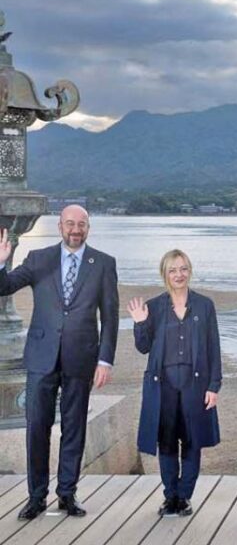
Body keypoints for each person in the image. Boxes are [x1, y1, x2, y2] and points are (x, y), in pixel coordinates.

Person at [0, 205, 119, 521]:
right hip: (41, 357)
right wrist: (1, 263)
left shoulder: (104, 264)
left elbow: (109, 317)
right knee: (37, 427)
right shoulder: (39, 259)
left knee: (74, 427)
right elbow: (5, 286)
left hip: (81, 358)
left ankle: (67, 494)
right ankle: (36, 497)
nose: (75, 229)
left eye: (81, 224)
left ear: (88, 228)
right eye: (70, 223)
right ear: (59, 226)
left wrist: (105, 359)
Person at [128, 250, 221, 516]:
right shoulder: (154, 307)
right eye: (172, 270)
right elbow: (143, 347)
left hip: (195, 385)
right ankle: (170, 497)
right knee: (166, 443)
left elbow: (214, 348)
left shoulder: (204, 305)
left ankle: (185, 497)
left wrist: (214, 386)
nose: (178, 275)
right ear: (164, 274)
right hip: (163, 386)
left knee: (193, 442)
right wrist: (140, 323)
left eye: (183, 269)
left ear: (189, 271)